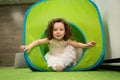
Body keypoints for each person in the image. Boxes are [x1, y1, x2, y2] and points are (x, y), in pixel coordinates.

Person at [20, 18, 96, 72]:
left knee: (74, 48)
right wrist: (29, 46)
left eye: (61, 30)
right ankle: (65, 64)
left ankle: (72, 62)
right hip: (53, 56)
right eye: (55, 30)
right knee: (59, 68)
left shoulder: (66, 41)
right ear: (51, 31)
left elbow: (77, 44)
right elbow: (38, 42)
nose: (58, 32)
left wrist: (86, 45)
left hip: (64, 54)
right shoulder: (50, 40)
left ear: (65, 31)